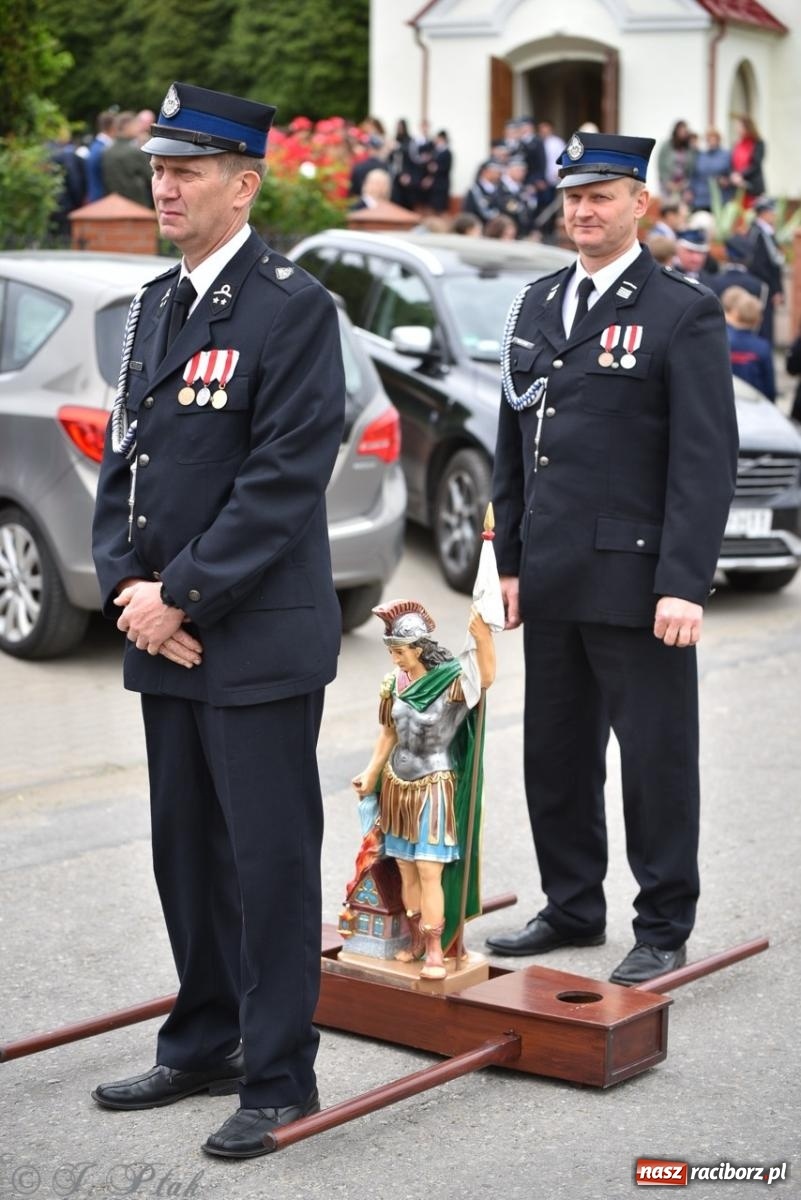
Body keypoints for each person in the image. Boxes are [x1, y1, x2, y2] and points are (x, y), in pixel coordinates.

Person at [90, 81, 346, 1159]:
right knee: (187, 855)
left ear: (244, 186)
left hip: (254, 638)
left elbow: (284, 481)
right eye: (160, 167)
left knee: (269, 863)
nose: (166, 184)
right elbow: (123, 464)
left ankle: (282, 1074)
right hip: (167, 633)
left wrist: (178, 595)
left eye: (188, 169)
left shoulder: (295, 308)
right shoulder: (154, 304)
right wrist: (127, 593)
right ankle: (206, 1041)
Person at [487, 130, 738, 985]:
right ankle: (571, 905)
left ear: (640, 204)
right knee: (554, 754)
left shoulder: (681, 310)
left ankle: (662, 921)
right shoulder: (534, 305)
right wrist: (509, 561)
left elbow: (703, 461)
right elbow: (514, 443)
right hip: (552, 575)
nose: (582, 210)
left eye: (600, 196)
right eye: (571, 197)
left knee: (654, 758)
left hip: (637, 584)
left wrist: (682, 582)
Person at [352, 601, 495, 979]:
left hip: (433, 784)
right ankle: (416, 939)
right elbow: (387, 735)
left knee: (430, 870)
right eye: (391, 652)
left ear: (419, 647)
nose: (395, 659)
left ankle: (435, 948)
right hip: (397, 787)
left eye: (400, 651)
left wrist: (482, 639)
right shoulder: (393, 683)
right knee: (406, 869)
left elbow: (485, 678)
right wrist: (370, 773)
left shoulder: (450, 683)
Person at [722, 286, 776, 401]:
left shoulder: (722, 339)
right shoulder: (762, 347)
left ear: (735, 312)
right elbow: (769, 387)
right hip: (753, 402)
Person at [745, 197, 785, 344]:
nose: (774, 215)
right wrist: (774, 288)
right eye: (771, 211)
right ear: (763, 213)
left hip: (767, 285)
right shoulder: (758, 233)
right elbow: (760, 264)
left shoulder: (766, 232)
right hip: (763, 286)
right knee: (763, 325)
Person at [101, 111, 154, 207]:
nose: (138, 128)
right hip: (137, 204)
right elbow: (150, 177)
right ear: (126, 126)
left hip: (115, 204)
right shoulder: (135, 151)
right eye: (135, 125)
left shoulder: (107, 151)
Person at [689, 129, 733, 211]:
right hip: (701, 199)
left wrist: (727, 181)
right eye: (709, 139)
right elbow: (694, 176)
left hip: (720, 198)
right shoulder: (701, 156)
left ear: (718, 140)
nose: (711, 142)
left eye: (714, 139)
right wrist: (690, 190)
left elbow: (731, 174)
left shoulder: (726, 155)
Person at [729, 114, 765, 207]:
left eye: (739, 127)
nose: (737, 129)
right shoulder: (737, 144)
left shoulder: (758, 143)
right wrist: (734, 176)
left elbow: (756, 164)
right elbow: (732, 164)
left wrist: (741, 175)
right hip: (737, 187)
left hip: (752, 186)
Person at [657, 120, 696, 200]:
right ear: (676, 131)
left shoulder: (689, 148)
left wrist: (685, 183)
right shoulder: (666, 146)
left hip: (683, 185)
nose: (683, 133)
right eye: (681, 131)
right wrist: (668, 183)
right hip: (668, 185)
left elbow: (691, 168)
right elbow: (661, 166)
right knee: (668, 208)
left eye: (685, 131)